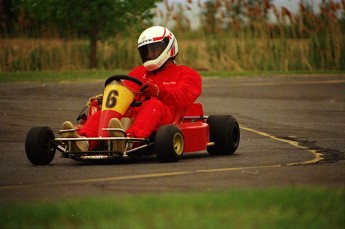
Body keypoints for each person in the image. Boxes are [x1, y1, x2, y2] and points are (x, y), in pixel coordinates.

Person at [60, 25, 202, 152]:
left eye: (154, 50)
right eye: (147, 51)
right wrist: (106, 100)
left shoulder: (186, 73)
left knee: (153, 104)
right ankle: (84, 141)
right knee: (102, 112)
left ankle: (127, 140)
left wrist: (158, 91)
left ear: (168, 47)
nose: (150, 55)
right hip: (135, 116)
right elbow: (126, 93)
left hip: (166, 117)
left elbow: (184, 96)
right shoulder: (139, 72)